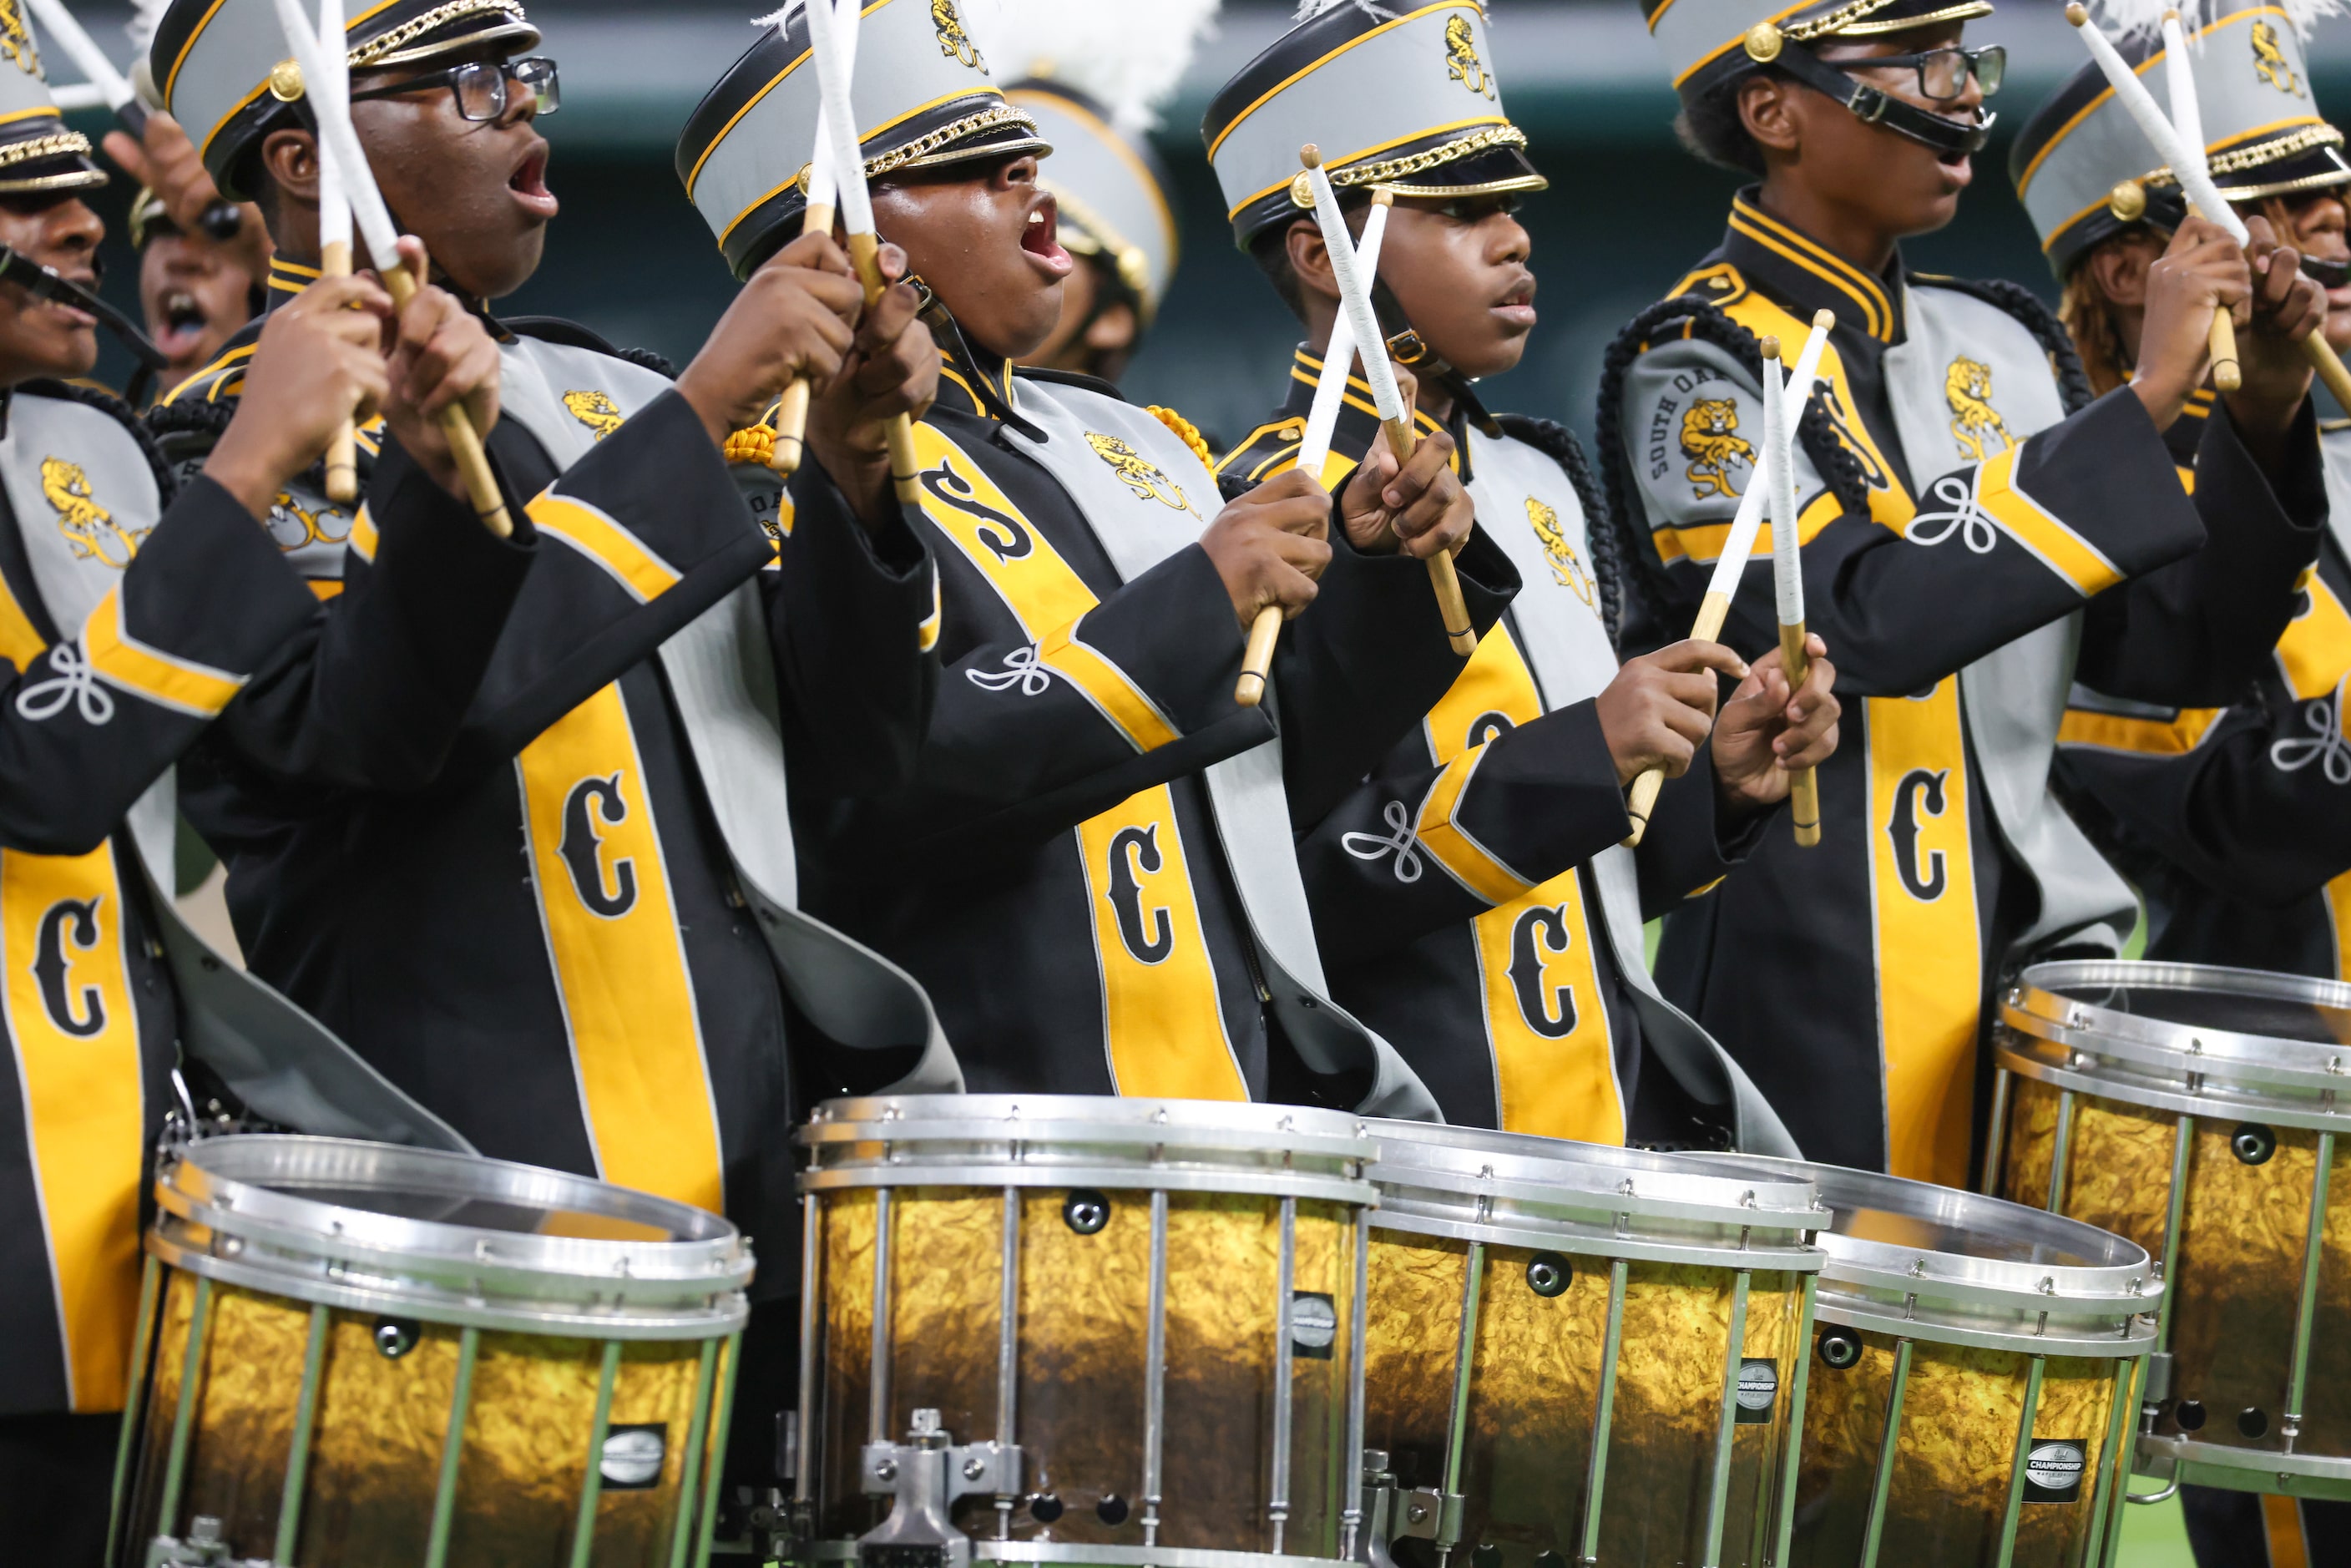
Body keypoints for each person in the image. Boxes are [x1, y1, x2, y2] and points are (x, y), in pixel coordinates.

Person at [146, 0, 949, 1512]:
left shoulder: (619, 392)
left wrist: (853, 470)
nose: (526, 108)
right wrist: (710, 416)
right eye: (466, 82)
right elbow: (381, 737)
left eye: (528, 73)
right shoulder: (221, 442)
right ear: (310, 160)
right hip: (468, 1212)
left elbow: (855, 749)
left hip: (748, 1208)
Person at [680, 0, 1509, 1120]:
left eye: (1018, 144)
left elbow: (1262, 781)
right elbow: (870, 794)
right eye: (969, 162)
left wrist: (1376, 574)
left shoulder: (1139, 447)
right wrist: (1199, 598)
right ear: (831, 237)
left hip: (1234, 1134)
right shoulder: (768, 477)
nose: (1031, 166)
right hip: (987, 1144)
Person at [1599, 0, 2324, 1186]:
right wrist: (2140, 406)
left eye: (1964, 57)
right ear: (1772, 109)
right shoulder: (1692, 365)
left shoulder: (1998, 339)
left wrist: (2265, 410)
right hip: (1808, 997)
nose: (1958, 92)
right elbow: (1856, 623)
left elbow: (2176, 649)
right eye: (1913, 61)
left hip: (2042, 985)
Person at [0, 24, 481, 1562]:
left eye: (73, 186)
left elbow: (347, 744)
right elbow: (36, 772)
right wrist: (247, 467)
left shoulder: (76, 447)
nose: (80, 224)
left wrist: (428, 477)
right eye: (17, 199)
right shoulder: (154, 460)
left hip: (127, 1259)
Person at [1206, 1, 1839, 1148]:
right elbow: (1277, 898)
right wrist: (1584, 752)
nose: (1513, 239)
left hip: (1607, 1122)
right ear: (1320, 253)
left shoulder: (1536, 472)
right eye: (1458, 211)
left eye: (1510, 207)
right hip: (1417, 1137)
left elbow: (1598, 876)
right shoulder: (1244, 508)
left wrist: (1712, 785)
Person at [2014, 17, 2351, 1562]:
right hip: (2301, 1215)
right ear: (2128, 284)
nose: (2326, 243)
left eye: (2332, 211)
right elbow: (2232, 815)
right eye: (2268, 219)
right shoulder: (2091, 530)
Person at [971, 0, 1218, 383]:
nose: (994, 253)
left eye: (1040, 238)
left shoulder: (1172, 446)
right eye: (979, 226)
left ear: (1111, 319)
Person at [103, 109, 269, 392]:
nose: (183, 257)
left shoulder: (347, 425)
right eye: (163, 228)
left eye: (222, 233)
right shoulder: (84, 431)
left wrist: (266, 248)